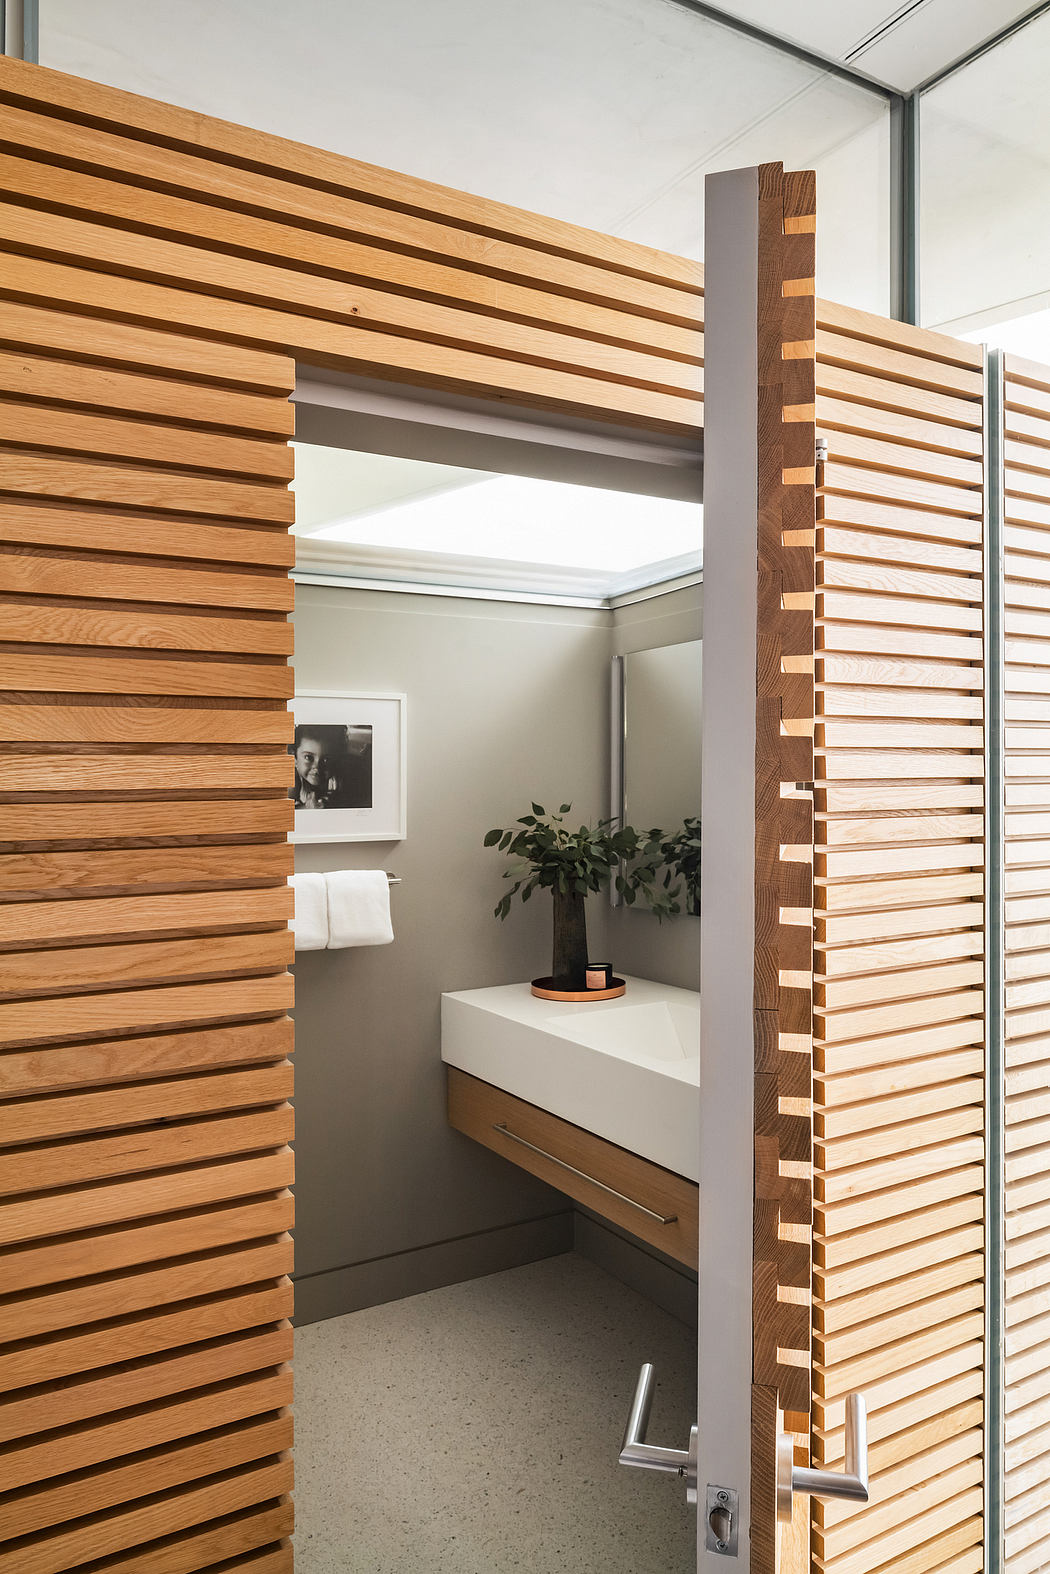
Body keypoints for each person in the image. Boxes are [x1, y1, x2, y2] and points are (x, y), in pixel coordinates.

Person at [290, 724, 373, 810]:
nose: (317, 767)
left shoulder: (343, 775)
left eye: (326, 759)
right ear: (295, 758)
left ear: (338, 759)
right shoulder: (293, 781)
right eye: (308, 757)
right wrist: (308, 808)